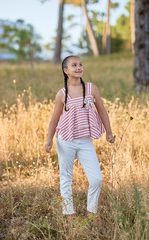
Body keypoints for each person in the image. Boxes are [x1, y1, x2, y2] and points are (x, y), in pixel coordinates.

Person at [45, 55, 115, 219]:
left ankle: (91, 212)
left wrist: (109, 132)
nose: (79, 67)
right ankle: (69, 214)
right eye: (74, 65)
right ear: (66, 71)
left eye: (80, 64)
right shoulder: (62, 94)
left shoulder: (91, 88)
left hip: (85, 141)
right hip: (65, 140)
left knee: (97, 179)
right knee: (66, 177)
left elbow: (102, 111)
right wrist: (49, 140)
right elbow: (54, 119)